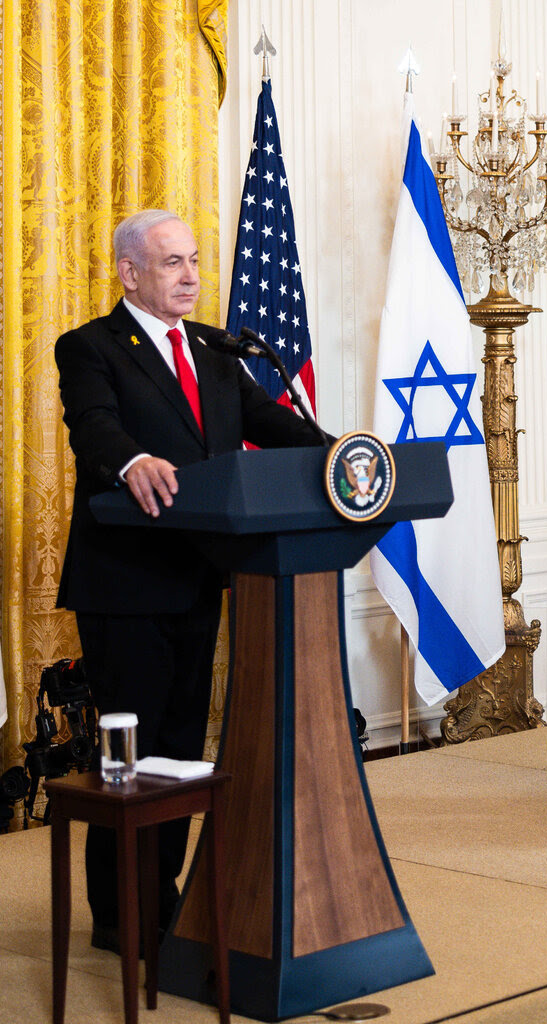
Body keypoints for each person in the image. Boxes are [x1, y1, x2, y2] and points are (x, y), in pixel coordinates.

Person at [55, 209, 326, 949]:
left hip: (200, 574)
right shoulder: (90, 346)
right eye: (172, 262)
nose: (191, 276)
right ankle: (119, 915)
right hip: (126, 582)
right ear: (129, 272)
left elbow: (273, 424)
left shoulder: (213, 347)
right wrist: (131, 460)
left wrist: (345, 455)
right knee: (132, 756)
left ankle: (164, 896)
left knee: (178, 752)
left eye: (196, 261)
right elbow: (94, 424)